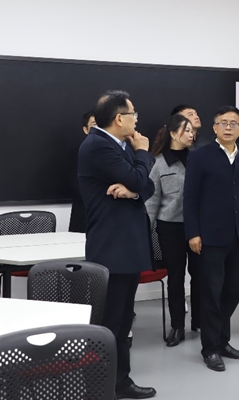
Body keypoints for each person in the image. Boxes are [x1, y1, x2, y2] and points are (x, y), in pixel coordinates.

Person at [77, 90, 156, 399]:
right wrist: (143, 152)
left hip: (126, 246)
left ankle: (119, 381)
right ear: (119, 118)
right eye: (133, 113)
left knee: (123, 322)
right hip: (112, 247)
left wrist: (134, 191)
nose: (137, 119)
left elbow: (146, 185)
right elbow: (139, 177)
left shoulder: (118, 145)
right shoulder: (98, 145)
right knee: (109, 323)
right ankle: (101, 385)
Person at [183, 105, 239, 372]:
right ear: (214, 127)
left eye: (234, 123)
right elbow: (190, 198)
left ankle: (223, 341)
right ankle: (210, 348)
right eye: (223, 123)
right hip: (210, 237)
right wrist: (193, 232)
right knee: (212, 294)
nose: (228, 127)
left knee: (233, 291)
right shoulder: (200, 156)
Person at [145, 114, 200, 347]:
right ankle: (177, 325)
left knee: (200, 275)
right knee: (175, 278)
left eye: (192, 131)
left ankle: (200, 320)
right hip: (169, 228)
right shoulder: (158, 164)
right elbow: (151, 201)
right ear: (173, 133)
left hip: (198, 227)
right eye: (186, 130)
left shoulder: (198, 159)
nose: (191, 134)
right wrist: (145, 232)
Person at [69, 110, 96, 233]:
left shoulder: (116, 152)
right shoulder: (78, 153)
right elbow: (76, 184)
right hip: (84, 214)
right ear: (85, 130)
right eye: (94, 125)